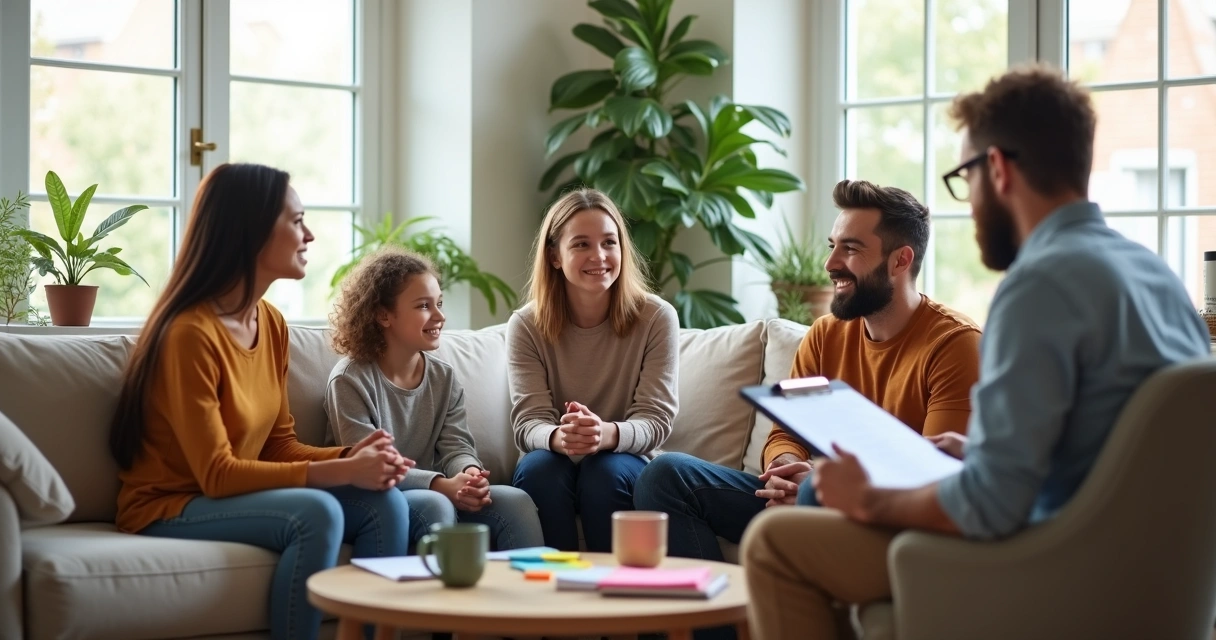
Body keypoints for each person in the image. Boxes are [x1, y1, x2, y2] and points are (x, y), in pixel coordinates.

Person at [741, 65, 1212, 640]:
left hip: (1054, 573)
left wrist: (869, 497)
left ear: (997, 168)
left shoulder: (1040, 283)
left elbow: (989, 506)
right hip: (1159, 581)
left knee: (774, 542)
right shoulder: (1153, 274)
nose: (969, 202)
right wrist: (977, 451)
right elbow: (1111, 460)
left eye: (965, 176)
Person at [109, 163, 412, 640]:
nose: (309, 234)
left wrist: (352, 457)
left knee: (388, 504)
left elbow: (279, 445)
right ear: (249, 232)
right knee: (318, 512)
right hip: (171, 505)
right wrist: (340, 471)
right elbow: (216, 474)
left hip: (231, 493)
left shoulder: (269, 323)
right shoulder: (190, 333)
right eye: (296, 221)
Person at [633, 179, 982, 563]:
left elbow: (932, 482)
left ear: (901, 260)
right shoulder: (826, 334)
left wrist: (818, 484)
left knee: (816, 492)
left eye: (851, 249)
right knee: (664, 475)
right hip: (812, 499)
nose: (831, 264)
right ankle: (714, 623)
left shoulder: (955, 345)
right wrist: (783, 470)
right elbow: (785, 433)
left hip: (885, 521)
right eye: (833, 246)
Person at [324, 246, 545, 550]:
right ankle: (444, 599)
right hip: (371, 496)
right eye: (423, 306)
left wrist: (468, 475)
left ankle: (529, 596)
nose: (440, 315)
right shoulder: (349, 380)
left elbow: (457, 447)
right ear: (383, 314)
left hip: (432, 488)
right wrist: (441, 485)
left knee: (515, 501)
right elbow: (370, 467)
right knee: (435, 504)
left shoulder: (444, 377)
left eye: (439, 303)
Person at [509, 188, 679, 552]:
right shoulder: (526, 325)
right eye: (581, 244)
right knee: (539, 471)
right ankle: (555, 594)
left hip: (624, 456)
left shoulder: (656, 317)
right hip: (553, 454)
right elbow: (528, 422)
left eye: (609, 242)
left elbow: (655, 419)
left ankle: (613, 592)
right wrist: (561, 438)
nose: (599, 256)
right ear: (554, 256)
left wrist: (606, 434)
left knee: (605, 472)